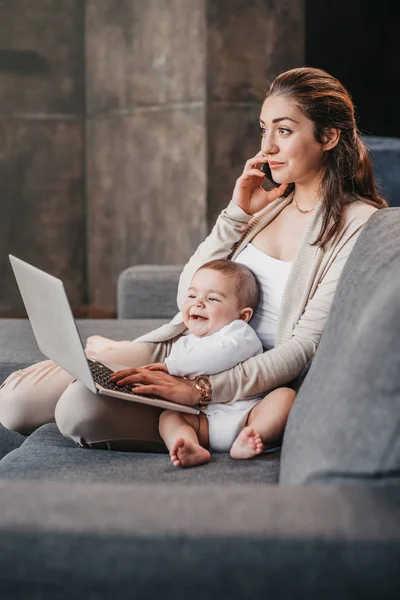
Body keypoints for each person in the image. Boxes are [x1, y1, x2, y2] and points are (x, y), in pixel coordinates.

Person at [0, 66, 388, 454]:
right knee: (14, 405)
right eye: (263, 129)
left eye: (283, 131)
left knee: (78, 410)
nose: (267, 146)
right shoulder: (269, 205)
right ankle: (105, 358)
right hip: (179, 350)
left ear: (329, 137)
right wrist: (236, 214)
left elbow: (302, 348)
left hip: (239, 389)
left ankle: (161, 407)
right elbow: (189, 292)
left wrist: (199, 390)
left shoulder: (358, 224)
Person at [138, 258, 296, 467]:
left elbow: (217, 356)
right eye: (192, 295)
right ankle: (187, 443)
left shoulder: (240, 334)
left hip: (247, 412)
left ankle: (253, 436)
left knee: (284, 397)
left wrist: (171, 366)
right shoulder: (183, 343)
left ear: (243, 315)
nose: (198, 303)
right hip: (203, 420)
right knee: (169, 417)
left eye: (212, 298)